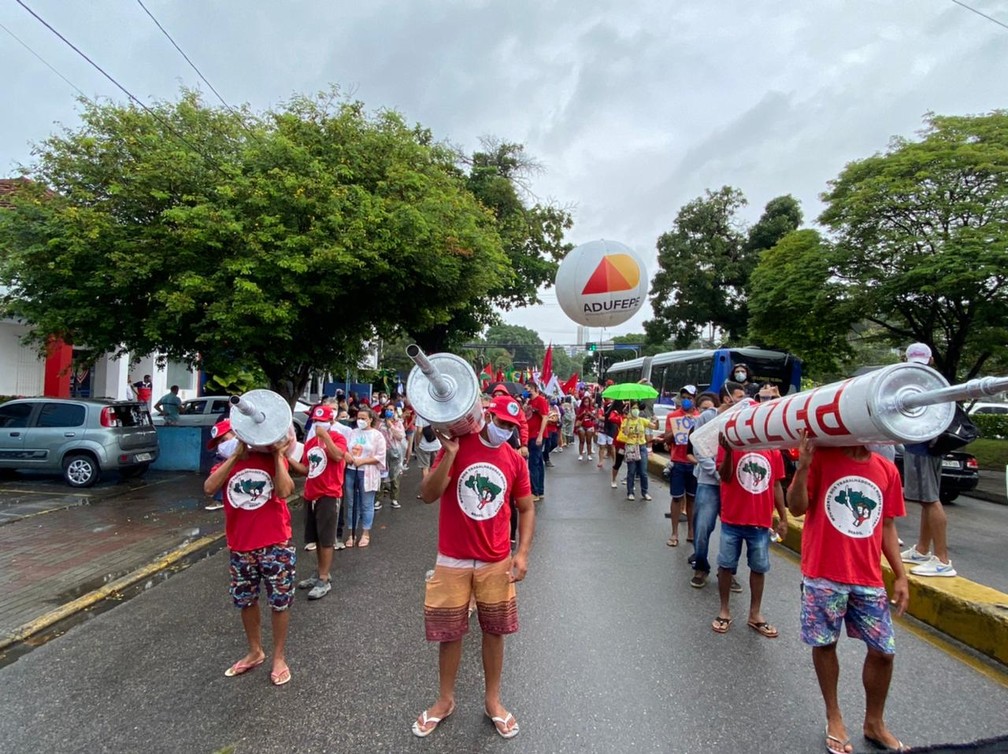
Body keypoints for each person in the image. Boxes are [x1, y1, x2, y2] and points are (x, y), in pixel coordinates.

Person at [412, 394, 535, 740]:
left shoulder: (514, 460)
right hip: (452, 558)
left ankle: (493, 701)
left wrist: (521, 553)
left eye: (511, 427)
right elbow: (427, 494)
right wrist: (449, 456)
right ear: (485, 417)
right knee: (449, 633)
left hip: (496, 560)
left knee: (494, 632)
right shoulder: (457, 444)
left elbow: (526, 508)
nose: (504, 431)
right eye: (500, 423)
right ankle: (444, 700)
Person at [788, 430, 910, 754]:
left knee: (884, 652)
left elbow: (886, 525)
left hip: (867, 577)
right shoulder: (821, 458)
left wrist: (901, 575)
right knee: (826, 644)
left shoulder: (886, 470)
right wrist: (802, 468)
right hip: (823, 572)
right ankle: (834, 716)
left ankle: (874, 723)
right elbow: (796, 507)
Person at [203, 432, 297, 687]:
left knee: (279, 602)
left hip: (275, 543)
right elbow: (209, 488)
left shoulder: (270, 460)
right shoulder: (224, 463)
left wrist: (278, 454)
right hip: (240, 546)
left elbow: (285, 490)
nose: (226, 443)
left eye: (228, 437)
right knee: (245, 601)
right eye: (223, 442)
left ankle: (279, 657)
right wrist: (234, 456)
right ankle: (255, 651)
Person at [711, 431, 788, 637]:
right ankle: (724, 610)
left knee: (759, 567)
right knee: (725, 565)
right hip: (732, 520)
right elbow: (724, 476)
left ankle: (755, 614)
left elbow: (776, 484)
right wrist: (728, 453)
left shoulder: (773, 450)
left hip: (760, 523)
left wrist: (783, 517)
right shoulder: (730, 444)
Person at [899, 343, 957, 578]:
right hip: (933, 445)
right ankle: (922, 549)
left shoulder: (908, 380)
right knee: (926, 500)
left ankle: (942, 560)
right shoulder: (937, 381)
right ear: (931, 359)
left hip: (921, 445)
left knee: (931, 500)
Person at [687, 383, 744, 589]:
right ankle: (700, 567)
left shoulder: (742, 419)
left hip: (733, 484)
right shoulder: (707, 417)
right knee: (702, 526)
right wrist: (717, 473)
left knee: (734, 531)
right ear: (728, 398)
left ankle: (728, 572)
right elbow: (699, 449)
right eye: (739, 396)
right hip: (709, 482)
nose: (743, 400)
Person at [290, 406, 348, 600]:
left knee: (326, 539)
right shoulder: (311, 443)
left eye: (319, 421)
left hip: (329, 494)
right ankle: (320, 572)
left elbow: (338, 456)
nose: (316, 425)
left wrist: (326, 437)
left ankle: (324, 578)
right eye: (314, 421)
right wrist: (286, 458)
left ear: (330, 422)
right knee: (315, 537)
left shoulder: (338, 438)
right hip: (311, 494)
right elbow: (306, 469)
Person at [338, 406, 386, 547]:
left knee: (366, 504)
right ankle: (351, 533)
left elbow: (380, 456)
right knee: (352, 503)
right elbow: (345, 449)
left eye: (363, 418)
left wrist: (363, 461)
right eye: (359, 418)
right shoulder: (352, 433)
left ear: (370, 419)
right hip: (352, 471)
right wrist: (348, 457)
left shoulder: (377, 436)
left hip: (368, 472)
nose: (360, 421)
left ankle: (365, 533)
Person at [663, 385, 700, 547]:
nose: (686, 401)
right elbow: (667, 439)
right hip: (678, 462)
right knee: (677, 498)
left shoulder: (701, 417)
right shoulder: (673, 416)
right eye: (684, 397)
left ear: (695, 399)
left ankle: (691, 531)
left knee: (692, 498)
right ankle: (674, 532)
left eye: (690, 398)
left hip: (694, 463)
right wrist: (679, 427)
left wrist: (694, 423)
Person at [616, 403, 651, 501]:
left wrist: (655, 421)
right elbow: (625, 432)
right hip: (631, 446)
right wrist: (627, 421)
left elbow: (654, 427)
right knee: (631, 471)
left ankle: (645, 492)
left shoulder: (642, 420)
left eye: (637, 408)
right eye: (633, 408)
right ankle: (630, 492)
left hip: (642, 446)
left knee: (643, 472)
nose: (635, 410)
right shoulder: (626, 421)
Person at [377, 404, 406, 508]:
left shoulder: (398, 423)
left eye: (391, 410)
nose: (389, 411)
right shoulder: (380, 424)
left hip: (395, 453)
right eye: (387, 410)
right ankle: (378, 499)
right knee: (381, 476)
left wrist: (391, 427)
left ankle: (394, 499)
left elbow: (401, 436)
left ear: (395, 412)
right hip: (383, 453)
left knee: (395, 476)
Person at [205, 418, 237, 511]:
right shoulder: (221, 466)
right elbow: (209, 489)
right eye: (219, 444)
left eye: (224, 440)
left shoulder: (261, 456)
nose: (222, 446)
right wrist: (234, 457)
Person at [524, 382, 549, 502]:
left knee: (533, 463)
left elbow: (545, 417)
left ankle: (535, 492)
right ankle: (539, 490)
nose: (527, 391)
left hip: (536, 435)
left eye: (528, 389)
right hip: (530, 435)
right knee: (538, 463)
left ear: (534, 389)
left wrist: (540, 435)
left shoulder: (540, 401)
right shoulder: (529, 402)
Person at [574, 395, 597, 461]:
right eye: (585, 402)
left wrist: (590, 414)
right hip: (581, 426)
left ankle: (589, 455)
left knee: (589, 441)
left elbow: (595, 418)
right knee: (581, 441)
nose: (586, 403)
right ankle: (580, 454)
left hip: (589, 426)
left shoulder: (592, 409)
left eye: (587, 402)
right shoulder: (580, 408)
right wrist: (582, 414)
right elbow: (577, 417)